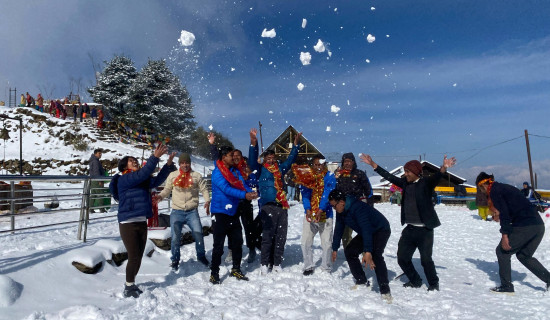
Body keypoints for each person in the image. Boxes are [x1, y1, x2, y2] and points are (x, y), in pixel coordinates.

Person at [360, 153, 456, 291]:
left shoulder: (426, 183)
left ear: (416, 172)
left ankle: (434, 284)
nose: (406, 174)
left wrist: (444, 168)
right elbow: (389, 177)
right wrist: (373, 164)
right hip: (410, 229)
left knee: (426, 260)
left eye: (408, 171)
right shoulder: (405, 183)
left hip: (425, 230)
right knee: (402, 258)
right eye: (405, 171)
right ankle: (415, 280)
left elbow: (437, 177)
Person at [109, 144, 176, 298]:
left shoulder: (140, 179)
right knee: (133, 255)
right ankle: (128, 286)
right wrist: (155, 157)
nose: (135, 162)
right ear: (124, 165)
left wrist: (168, 166)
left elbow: (156, 180)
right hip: (128, 223)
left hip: (141, 221)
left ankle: (131, 283)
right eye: (132, 161)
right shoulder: (124, 179)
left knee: (138, 255)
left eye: (135, 160)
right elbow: (143, 173)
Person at [476, 172, 550, 294]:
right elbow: (512, 209)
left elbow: (505, 213)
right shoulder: (504, 187)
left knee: (502, 251)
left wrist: (505, 235)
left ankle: (506, 286)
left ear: (483, 185)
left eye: (480, 189)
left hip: (526, 226)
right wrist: (499, 215)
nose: (482, 192)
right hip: (538, 225)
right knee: (524, 256)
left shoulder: (494, 190)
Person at [249, 128, 302, 274]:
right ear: (265, 160)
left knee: (281, 236)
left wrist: (296, 146)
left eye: (273, 158)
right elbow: (252, 161)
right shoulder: (260, 170)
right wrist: (253, 143)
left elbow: (290, 160)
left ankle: (277, 262)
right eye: (268, 158)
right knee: (267, 236)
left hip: (282, 206)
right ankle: (264, 263)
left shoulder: (280, 169)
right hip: (267, 207)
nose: (271, 160)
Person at [329, 190, 392, 302]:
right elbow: (338, 229)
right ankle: (361, 281)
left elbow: (366, 228)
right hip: (367, 232)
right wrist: (334, 248)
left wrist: (368, 251)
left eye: (334, 206)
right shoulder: (341, 211)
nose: (334, 209)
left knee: (376, 256)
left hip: (380, 229)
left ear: (342, 202)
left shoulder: (357, 208)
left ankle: (385, 289)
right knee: (350, 251)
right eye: (332, 206)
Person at [208, 131, 261, 263]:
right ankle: (232, 250)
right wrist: (212, 145)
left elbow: (250, 180)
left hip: (245, 201)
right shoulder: (228, 169)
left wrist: (253, 143)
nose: (235, 157)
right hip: (234, 202)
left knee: (248, 227)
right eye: (233, 155)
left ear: (242, 157)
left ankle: (251, 248)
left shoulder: (245, 168)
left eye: (237, 155)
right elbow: (217, 158)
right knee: (232, 228)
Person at [155, 153, 211, 271]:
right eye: (182, 163)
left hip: (192, 211)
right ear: (179, 164)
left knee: (198, 234)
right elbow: (167, 190)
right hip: (176, 211)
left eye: (187, 163)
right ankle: (175, 259)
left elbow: (204, 189)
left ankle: (201, 256)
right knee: (175, 237)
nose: (185, 165)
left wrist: (207, 201)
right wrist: (160, 197)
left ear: (190, 163)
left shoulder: (196, 176)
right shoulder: (173, 175)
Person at [292, 154, 336, 275]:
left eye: (320, 165)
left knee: (326, 243)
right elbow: (305, 194)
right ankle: (308, 266)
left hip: (325, 214)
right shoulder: (307, 176)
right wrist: (307, 209)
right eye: (315, 165)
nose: (318, 167)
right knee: (305, 242)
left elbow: (327, 194)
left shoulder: (330, 176)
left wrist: (321, 209)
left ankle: (326, 267)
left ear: (324, 165)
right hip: (310, 214)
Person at [334, 152, 374, 249]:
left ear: (353, 162)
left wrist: (370, 206)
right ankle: (349, 252)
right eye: (345, 161)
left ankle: (367, 251)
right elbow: (333, 190)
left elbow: (369, 191)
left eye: (349, 161)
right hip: (344, 209)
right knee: (345, 234)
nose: (347, 163)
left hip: (358, 208)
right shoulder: (339, 175)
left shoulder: (359, 174)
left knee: (364, 230)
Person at [89, 149, 108, 213]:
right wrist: (100, 180)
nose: (100, 155)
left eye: (101, 153)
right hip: (97, 180)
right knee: (100, 193)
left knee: (93, 194)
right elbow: (96, 171)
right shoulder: (95, 161)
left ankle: (90, 208)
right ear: (95, 154)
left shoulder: (93, 160)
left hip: (93, 179)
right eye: (99, 153)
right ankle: (101, 209)